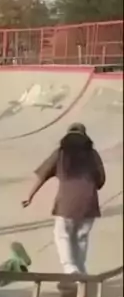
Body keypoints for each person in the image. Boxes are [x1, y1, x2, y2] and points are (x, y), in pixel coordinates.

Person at [22, 123, 106, 287]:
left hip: (66, 204)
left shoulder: (60, 153)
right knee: (81, 237)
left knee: (62, 235)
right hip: (89, 203)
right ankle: (81, 273)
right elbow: (101, 180)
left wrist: (30, 196)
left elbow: (42, 176)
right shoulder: (93, 154)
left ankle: (70, 269)